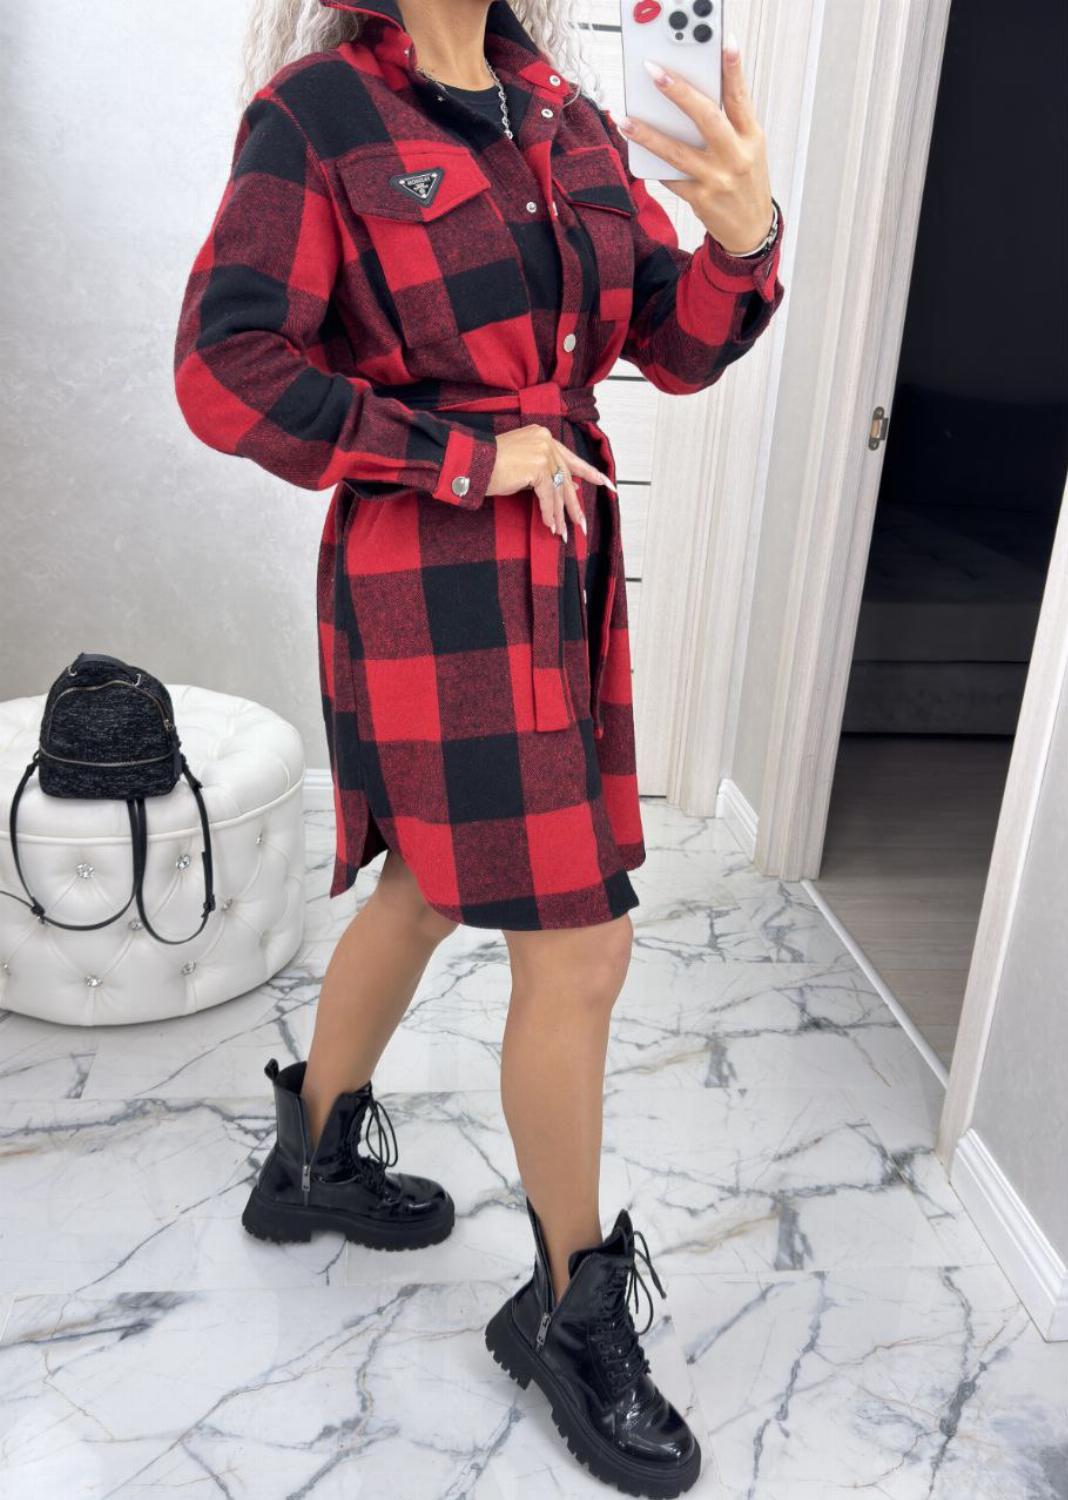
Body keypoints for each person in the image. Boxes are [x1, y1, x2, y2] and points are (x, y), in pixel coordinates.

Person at [173, 1, 783, 1492]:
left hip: (560, 560)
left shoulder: (562, 112)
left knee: (433, 885)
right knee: (580, 946)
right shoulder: (317, 115)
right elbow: (223, 367)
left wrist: (743, 241)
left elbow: (672, 346)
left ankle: (309, 1162)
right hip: (433, 573)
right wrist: (463, 452)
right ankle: (571, 1315)